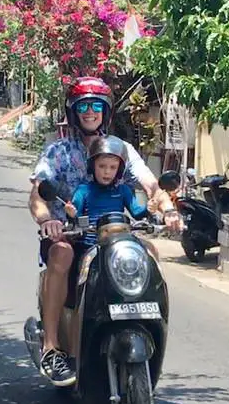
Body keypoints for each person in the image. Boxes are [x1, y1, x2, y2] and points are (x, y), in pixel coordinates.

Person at [28, 76, 176, 387]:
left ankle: (148, 323)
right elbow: (37, 196)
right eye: (83, 105)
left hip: (113, 236)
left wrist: (168, 210)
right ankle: (52, 347)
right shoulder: (58, 152)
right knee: (62, 254)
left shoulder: (121, 150)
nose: (90, 111)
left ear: (105, 111)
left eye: (97, 105)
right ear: (73, 112)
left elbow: (152, 187)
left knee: (148, 251)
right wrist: (47, 222)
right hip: (68, 237)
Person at [64, 137, 150, 248]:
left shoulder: (123, 190)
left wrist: (149, 208)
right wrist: (71, 214)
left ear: (119, 170)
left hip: (118, 244)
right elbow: (76, 217)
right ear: (92, 166)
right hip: (88, 246)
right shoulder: (83, 190)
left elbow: (137, 213)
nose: (107, 172)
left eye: (113, 167)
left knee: (147, 254)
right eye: (101, 166)